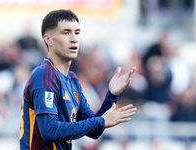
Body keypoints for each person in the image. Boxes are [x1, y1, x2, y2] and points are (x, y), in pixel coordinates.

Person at [19, 9, 137, 150]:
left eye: (77, 32)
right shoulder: (44, 75)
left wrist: (111, 95)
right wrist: (100, 121)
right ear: (48, 39)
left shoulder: (72, 80)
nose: (74, 38)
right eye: (66, 33)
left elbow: (94, 131)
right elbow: (49, 131)